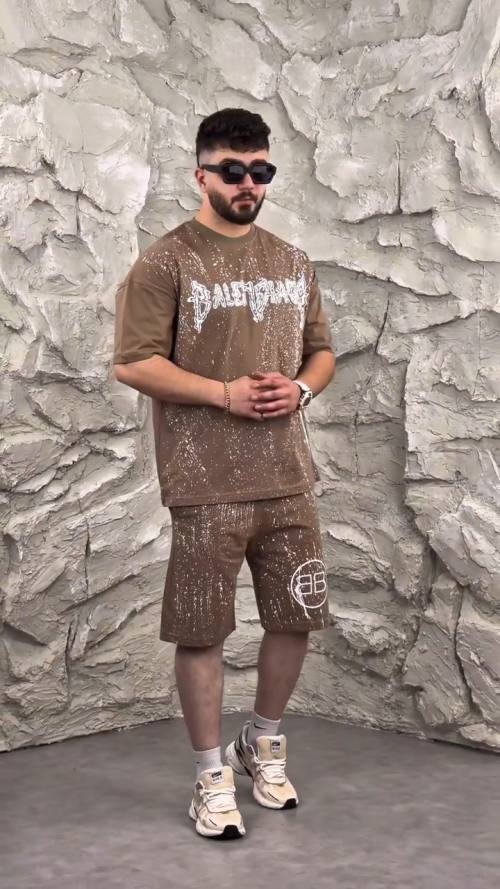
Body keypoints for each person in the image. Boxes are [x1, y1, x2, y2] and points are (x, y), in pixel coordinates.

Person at [113, 107, 336, 840]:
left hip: (288, 476)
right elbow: (133, 362)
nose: (248, 184)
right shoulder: (166, 262)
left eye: (260, 171)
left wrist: (300, 389)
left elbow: (321, 353)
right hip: (204, 482)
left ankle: (261, 743)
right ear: (200, 174)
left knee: (296, 616)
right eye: (233, 171)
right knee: (202, 630)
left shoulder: (292, 260)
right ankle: (210, 775)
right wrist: (223, 394)